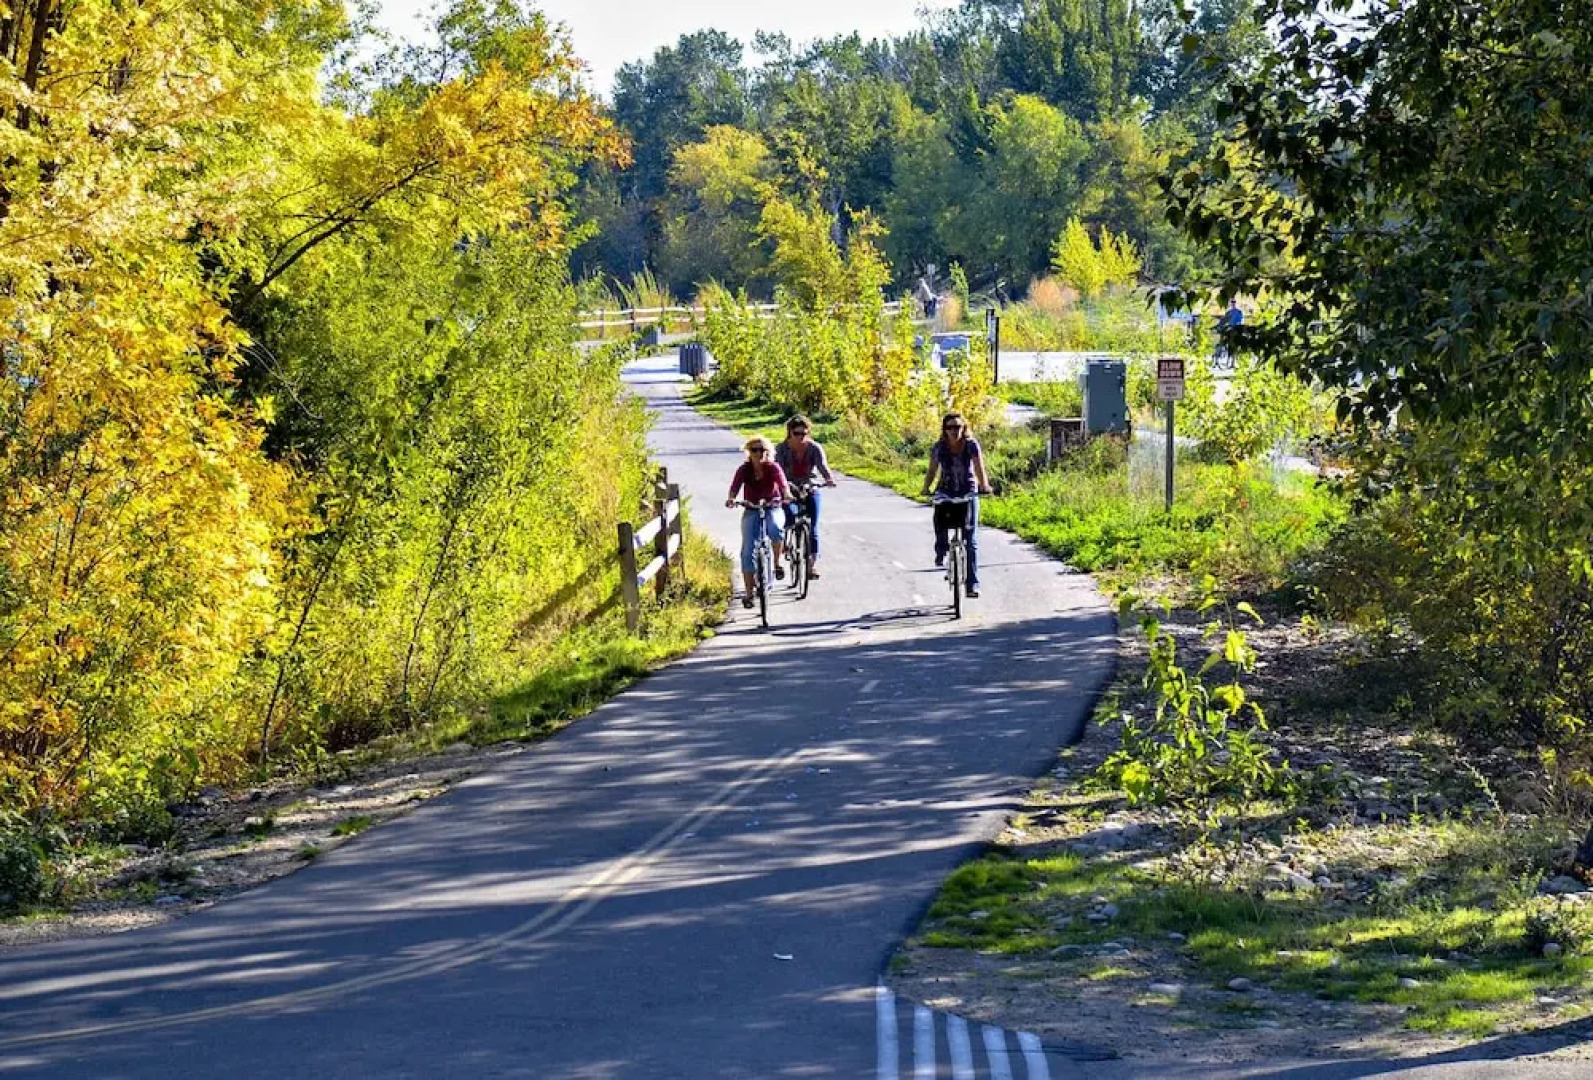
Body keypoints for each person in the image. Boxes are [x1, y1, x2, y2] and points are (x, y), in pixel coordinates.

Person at [920, 412, 992, 598]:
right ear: (945, 430)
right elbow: (932, 469)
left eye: (958, 427)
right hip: (946, 489)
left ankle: (972, 584)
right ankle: (941, 550)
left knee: (971, 540)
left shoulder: (971, 445)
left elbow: (979, 467)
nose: (954, 431)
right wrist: (926, 488)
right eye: (950, 427)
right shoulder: (939, 447)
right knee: (939, 517)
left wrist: (984, 486)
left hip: (968, 490)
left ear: (964, 428)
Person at [726, 436, 790, 608]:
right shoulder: (744, 469)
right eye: (754, 450)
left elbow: (783, 484)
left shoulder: (773, 467)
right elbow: (735, 486)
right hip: (751, 508)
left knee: (776, 528)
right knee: (748, 551)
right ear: (749, 452)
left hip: (772, 506)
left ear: (768, 452)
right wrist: (731, 499)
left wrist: (786, 494)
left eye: (762, 450)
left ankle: (776, 563)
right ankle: (749, 594)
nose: (759, 453)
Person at [774, 415, 837, 578]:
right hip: (788, 488)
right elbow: (777, 471)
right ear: (789, 432)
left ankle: (811, 566)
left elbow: (822, 466)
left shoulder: (814, 448)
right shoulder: (781, 449)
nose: (800, 437)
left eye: (804, 433)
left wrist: (829, 479)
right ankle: (785, 543)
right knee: (788, 516)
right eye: (797, 433)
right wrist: (783, 488)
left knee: (813, 526)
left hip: (809, 487)